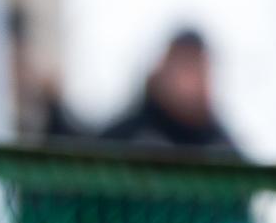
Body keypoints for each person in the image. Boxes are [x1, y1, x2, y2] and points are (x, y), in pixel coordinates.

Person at [100, 28, 240, 156]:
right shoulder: (124, 140)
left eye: (200, 69)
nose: (193, 80)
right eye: (185, 67)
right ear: (164, 70)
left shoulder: (220, 147)